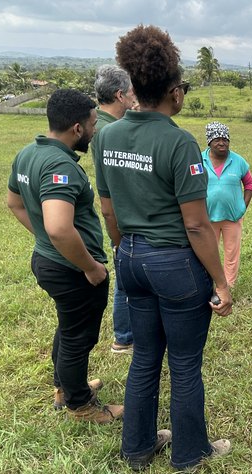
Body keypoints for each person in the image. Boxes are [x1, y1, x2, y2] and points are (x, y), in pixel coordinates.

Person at [93, 25, 232, 472]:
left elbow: (108, 211)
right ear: (174, 91)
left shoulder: (106, 137)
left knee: (145, 358)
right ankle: (191, 453)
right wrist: (220, 280)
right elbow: (195, 224)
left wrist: (126, 251)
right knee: (186, 362)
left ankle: (136, 448)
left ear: (133, 86)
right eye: (184, 88)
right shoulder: (178, 142)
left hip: (130, 257)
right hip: (174, 264)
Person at [6, 88, 123, 423]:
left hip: (48, 260)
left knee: (68, 326)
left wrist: (46, 238)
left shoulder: (28, 154)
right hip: (71, 269)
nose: (95, 129)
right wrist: (90, 267)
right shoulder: (60, 165)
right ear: (76, 129)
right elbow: (59, 228)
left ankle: (64, 387)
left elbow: (15, 204)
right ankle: (80, 405)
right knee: (78, 336)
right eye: (92, 123)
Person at [92, 64, 137, 354]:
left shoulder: (99, 126)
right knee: (125, 278)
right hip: (123, 216)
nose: (135, 96)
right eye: (132, 91)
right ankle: (123, 336)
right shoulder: (111, 131)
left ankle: (126, 333)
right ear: (120, 95)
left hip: (119, 213)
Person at [201, 121, 252, 287]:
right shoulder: (199, 159)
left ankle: (228, 284)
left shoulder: (238, 161)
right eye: (217, 139)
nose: (222, 143)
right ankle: (209, 283)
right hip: (207, 216)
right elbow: (191, 184)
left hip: (232, 216)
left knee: (232, 253)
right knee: (209, 252)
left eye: (225, 139)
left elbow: (249, 185)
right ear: (209, 141)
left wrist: (242, 207)